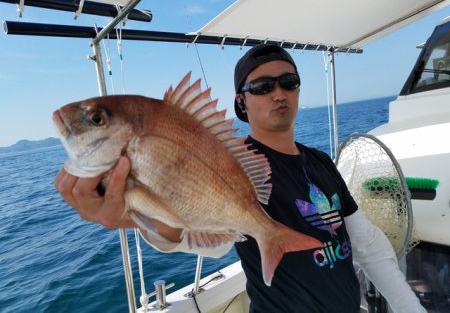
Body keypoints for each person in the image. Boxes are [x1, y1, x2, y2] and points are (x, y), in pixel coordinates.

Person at [55, 44, 426, 313]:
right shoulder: (240, 163)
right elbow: (205, 241)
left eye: (288, 82)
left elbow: (367, 244)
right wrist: (140, 219)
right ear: (241, 102)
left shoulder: (322, 161)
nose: (278, 93)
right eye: (262, 87)